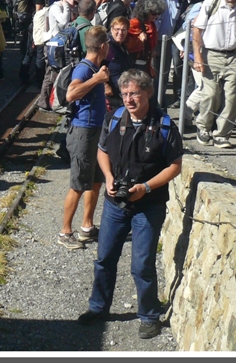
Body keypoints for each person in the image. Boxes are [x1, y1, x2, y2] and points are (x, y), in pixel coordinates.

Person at [77, 69, 183, 340]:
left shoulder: (165, 126)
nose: (129, 99)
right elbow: (102, 151)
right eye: (124, 94)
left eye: (134, 93)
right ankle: (98, 308)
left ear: (148, 92)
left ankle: (149, 316)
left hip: (149, 205)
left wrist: (145, 188)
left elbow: (175, 166)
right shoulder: (113, 119)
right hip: (115, 204)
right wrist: (110, 177)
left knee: (142, 263)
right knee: (104, 259)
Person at [58, 26, 111, 250]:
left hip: (96, 130)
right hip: (83, 132)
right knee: (79, 184)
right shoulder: (84, 69)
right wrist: (97, 80)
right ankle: (65, 232)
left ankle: (87, 226)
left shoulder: (94, 67)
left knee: (95, 181)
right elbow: (71, 93)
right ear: (103, 47)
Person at [191, 0, 236, 148]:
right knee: (210, 94)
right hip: (211, 54)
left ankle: (222, 134)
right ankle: (203, 127)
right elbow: (197, 30)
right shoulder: (212, 3)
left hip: (235, 55)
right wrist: (198, 57)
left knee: (232, 97)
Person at [37, 0, 84, 110]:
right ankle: (43, 102)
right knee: (51, 74)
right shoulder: (57, 6)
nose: (75, 5)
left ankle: (54, 101)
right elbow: (63, 22)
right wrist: (68, 7)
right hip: (53, 45)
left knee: (60, 74)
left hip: (61, 45)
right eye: (74, 2)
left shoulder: (67, 6)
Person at [104, 16, 136, 112]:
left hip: (122, 93)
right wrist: (105, 85)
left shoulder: (122, 46)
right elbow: (96, 66)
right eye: (117, 29)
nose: (120, 33)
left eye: (123, 30)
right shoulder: (108, 46)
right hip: (111, 96)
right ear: (111, 29)